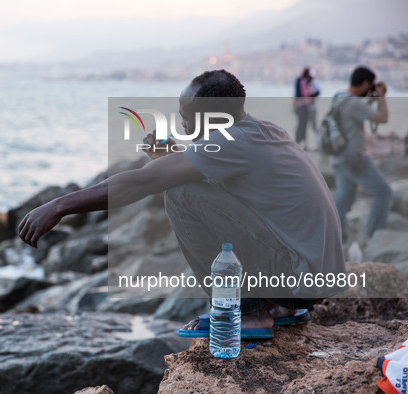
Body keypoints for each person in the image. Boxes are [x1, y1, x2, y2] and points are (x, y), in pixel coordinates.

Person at [18, 70, 346, 338]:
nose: (184, 125)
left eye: (187, 116)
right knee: (184, 185)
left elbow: (140, 183)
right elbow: (227, 183)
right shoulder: (259, 131)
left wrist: (58, 206)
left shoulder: (232, 142)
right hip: (312, 277)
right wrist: (173, 158)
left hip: (295, 276)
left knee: (179, 196)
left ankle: (246, 311)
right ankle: (275, 307)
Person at [331, 66, 391, 241]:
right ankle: (375, 236)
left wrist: (372, 101)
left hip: (338, 157)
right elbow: (383, 118)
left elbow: (357, 113)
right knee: (383, 191)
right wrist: (381, 98)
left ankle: (338, 239)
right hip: (353, 158)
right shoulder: (354, 104)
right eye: (370, 85)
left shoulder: (339, 97)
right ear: (365, 83)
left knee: (342, 200)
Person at [293, 67, 313, 148]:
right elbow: (305, 93)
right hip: (303, 105)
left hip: (299, 105)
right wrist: (310, 90)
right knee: (303, 124)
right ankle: (300, 142)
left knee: (301, 124)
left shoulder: (299, 80)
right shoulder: (303, 81)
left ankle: (299, 141)